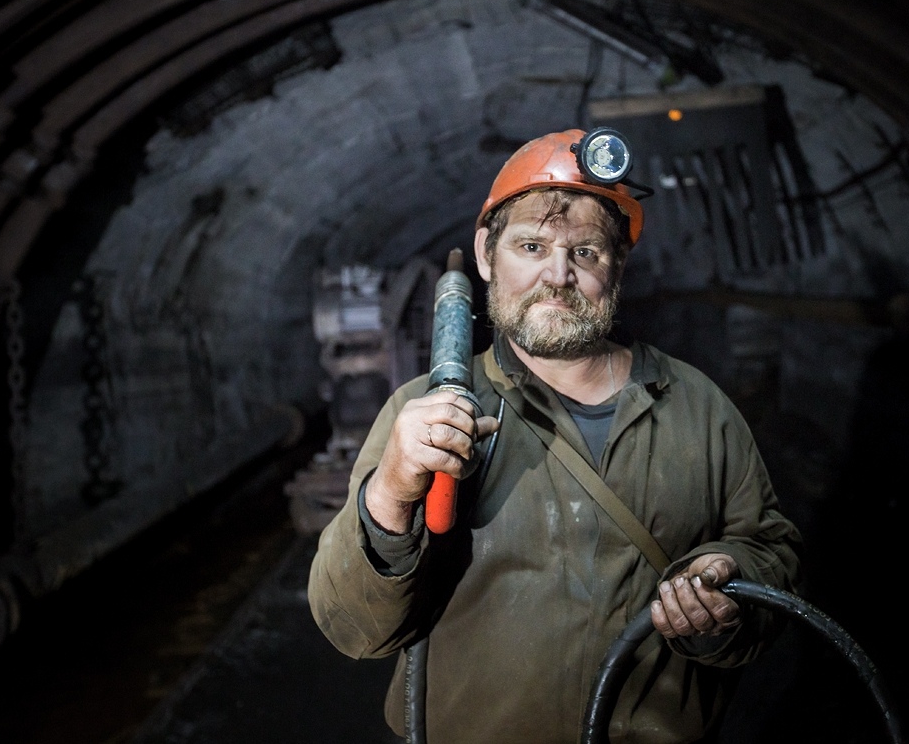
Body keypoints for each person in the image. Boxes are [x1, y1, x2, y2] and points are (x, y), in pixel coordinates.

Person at [308, 128, 802, 743]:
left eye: (587, 253)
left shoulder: (696, 406)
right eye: (532, 246)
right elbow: (354, 628)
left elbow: (771, 552)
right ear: (487, 256)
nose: (558, 275)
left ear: (616, 267)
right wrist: (389, 494)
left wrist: (728, 584)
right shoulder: (422, 412)